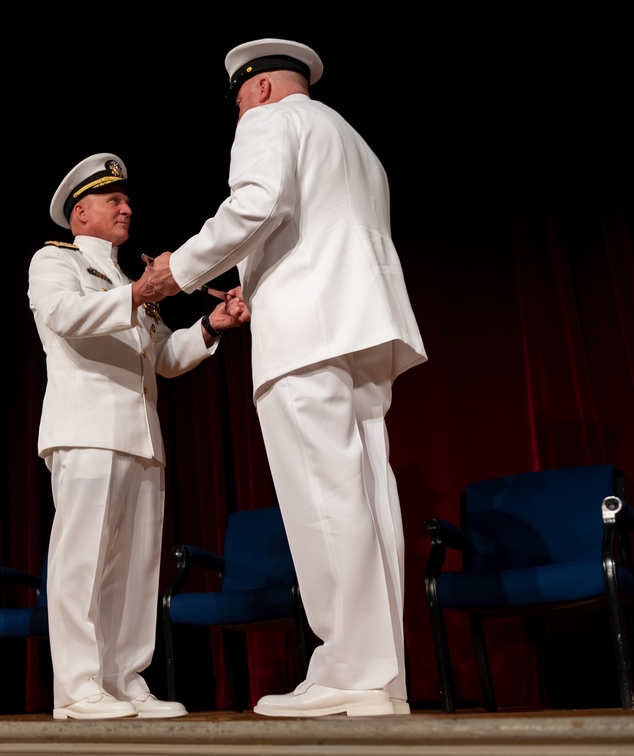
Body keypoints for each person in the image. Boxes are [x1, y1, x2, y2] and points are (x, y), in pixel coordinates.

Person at [142, 39, 427, 717]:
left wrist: (174, 271)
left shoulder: (267, 122)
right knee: (366, 493)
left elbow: (257, 206)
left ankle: (349, 671)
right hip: (360, 322)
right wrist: (236, 282)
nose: (237, 111)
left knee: (325, 496)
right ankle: (382, 675)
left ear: (260, 89)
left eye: (238, 97)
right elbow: (306, 228)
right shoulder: (350, 137)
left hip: (305, 331)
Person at [28, 153, 250, 720]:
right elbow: (65, 316)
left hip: (140, 435)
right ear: (80, 214)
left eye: (127, 201)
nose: (127, 208)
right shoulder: (56, 262)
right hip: (87, 431)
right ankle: (78, 688)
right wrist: (137, 295)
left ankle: (124, 678)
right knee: (83, 560)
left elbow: (163, 360)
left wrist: (208, 327)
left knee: (135, 564)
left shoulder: (131, 283)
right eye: (113, 201)